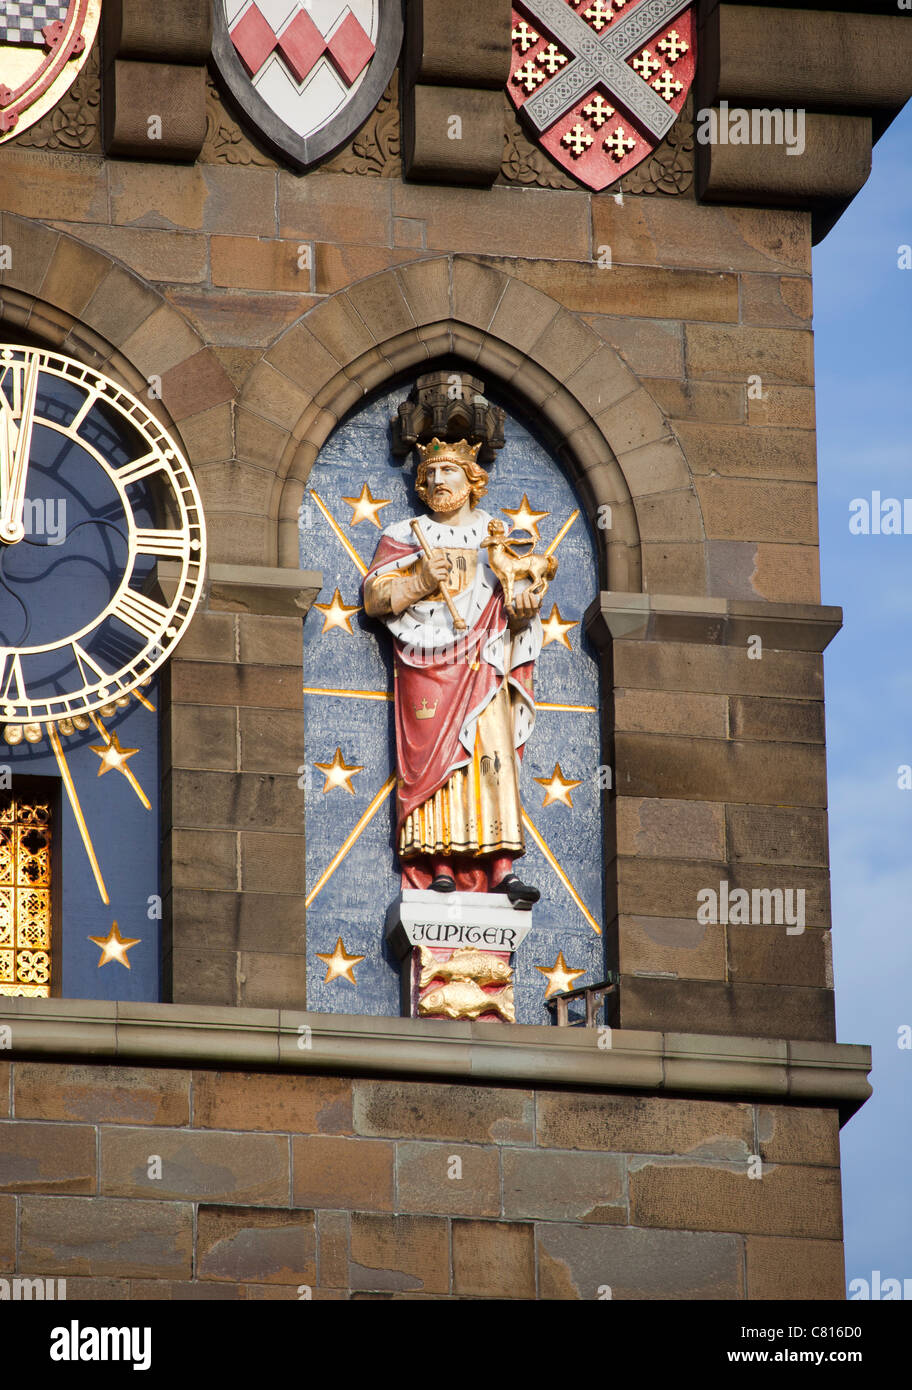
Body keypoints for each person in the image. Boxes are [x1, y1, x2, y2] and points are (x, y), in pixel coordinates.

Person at [363, 437, 551, 904]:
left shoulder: (496, 536)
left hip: (484, 664)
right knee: (434, 760)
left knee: (491, 757)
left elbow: (513, 608)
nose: (436, 481)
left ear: (472, 481)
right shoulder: (404, 534)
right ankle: (438, 861)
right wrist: (421, 581)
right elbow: (375, 598)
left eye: (447, 472)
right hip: (425, 666)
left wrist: (523, 611)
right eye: (429, 475)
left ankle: (501, 865)